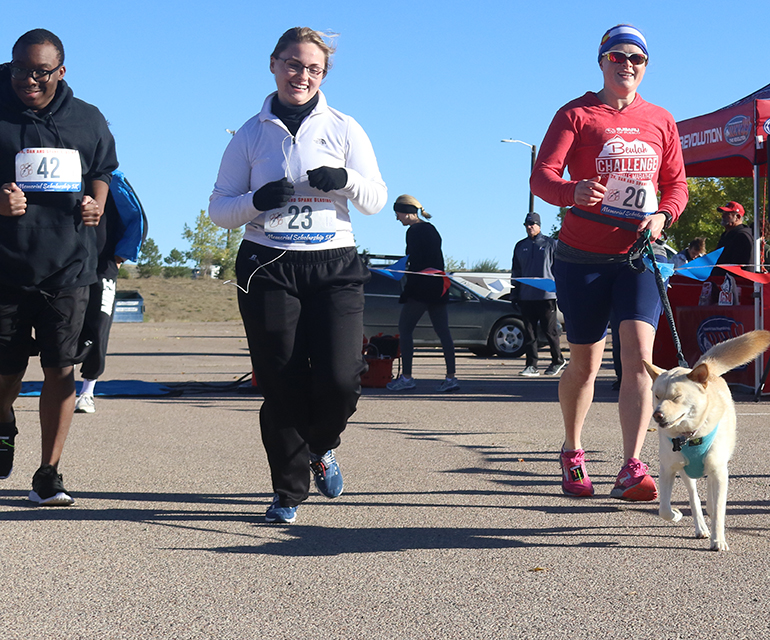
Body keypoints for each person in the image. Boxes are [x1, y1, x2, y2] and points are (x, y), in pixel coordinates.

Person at [209, 27, 386, 524]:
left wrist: (346, 180)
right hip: (268, 264)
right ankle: (287, 493)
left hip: (334, 263)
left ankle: (321, 445)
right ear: (273, 64)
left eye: (312, 68)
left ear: (323, 74)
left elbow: (375, 200)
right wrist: (255, 201)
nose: (301, 76)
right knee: (282, 383)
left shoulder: (346, 128)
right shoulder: (250, 133)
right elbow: (219, 209)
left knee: (341, 378)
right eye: (292, 64)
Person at [530, 24, 688, 501]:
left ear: (646, 67)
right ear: (602, 61)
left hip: (639, 257)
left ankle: (631, 465)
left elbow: (677, 184)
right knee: (585, 364)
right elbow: (543, 175)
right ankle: (572, 452)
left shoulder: (661, 119)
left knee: (640, 360)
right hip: (582, 258)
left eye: (636, 58)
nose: (627, 65)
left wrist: (663, 214)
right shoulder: (576, 113)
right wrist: (569, 192)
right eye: (618, 56)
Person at [0, 29, 118, 505]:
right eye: (19, 69)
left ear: (60, 71)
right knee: (4, 376)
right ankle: (4, 421)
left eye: (39, 71)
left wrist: (95, 202)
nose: (28, 79)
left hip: (70, 266)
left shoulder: (87, 119)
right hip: (6, 267)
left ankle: (49, 472)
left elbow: (103, 171)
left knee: (60, 368)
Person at [75, 171, 147, 414]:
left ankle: (87, 391)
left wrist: (118, 258)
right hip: (66, 265)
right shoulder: (64, 174)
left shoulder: (114, 179)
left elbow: (138, 218)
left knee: (99, 325)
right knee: (65, 326)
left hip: (103, 265)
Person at [386, 195, 458, 393]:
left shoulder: (414, 231)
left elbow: (416, 263)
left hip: (422, 288)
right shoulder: (431, 229)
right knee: (444, 332)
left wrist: (408, 289)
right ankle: (451, 377)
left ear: (408, 212)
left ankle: (407, 377)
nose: (397, 218)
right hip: (438, 286)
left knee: (405, 328)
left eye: (398, 213)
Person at [511, 211, 564, 377]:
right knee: (529, 332)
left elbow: (559, 268)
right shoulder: (520, 246)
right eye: (527, 224)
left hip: (546, 296)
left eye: (532, 224)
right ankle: (531, 365)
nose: (529, 227)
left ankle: (557, 360)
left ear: (539, 225)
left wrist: (561, 290)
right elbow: (516, 270)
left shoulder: (551, 244)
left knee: (549, 331)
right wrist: (515, 292)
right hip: (526, 297)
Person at [716, 201, 753, 267]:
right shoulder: (726, 235)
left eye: (727, 214)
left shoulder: (742, 236)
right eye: (723, 213)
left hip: (734, 276)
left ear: (738, 217)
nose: (723, 216)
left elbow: (740, 265)